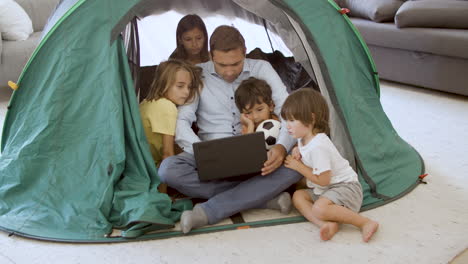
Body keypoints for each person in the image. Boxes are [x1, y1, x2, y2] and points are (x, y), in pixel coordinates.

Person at [159, 25, 302, 233]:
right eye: (221, 64)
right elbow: (182, 121)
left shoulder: (261, 68)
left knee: (302, 160)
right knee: (168, 170)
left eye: (235, 64)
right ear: (210, 56)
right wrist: (202, 152)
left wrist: (280, 147)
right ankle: (261, 197)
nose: (228, 71)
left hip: (261, 152)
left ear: (245, 52)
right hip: (214, 155)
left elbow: (287, 109)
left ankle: (208, 211)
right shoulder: (199, 74)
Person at [281, 88, 379, 242]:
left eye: (292, 120)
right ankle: (326, 224)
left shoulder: (319, 146)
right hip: (326, 190)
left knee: (319, 208)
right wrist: (296, 150)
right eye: (286, 120)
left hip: (346, 188)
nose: (287, 126)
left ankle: (365, 222)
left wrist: (298, 166)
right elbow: (304, 150)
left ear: (311, 119)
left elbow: (323, 180)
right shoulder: (304, 138)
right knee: (298, 196)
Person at [139, 59, 202, 192]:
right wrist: (164, 196)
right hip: (151, 169)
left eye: (189, 87)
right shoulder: (167, 107)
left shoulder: (147, 103)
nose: (186, 92)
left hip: (141, 165)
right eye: (180, 86)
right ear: (163, 84)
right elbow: (167, 155)